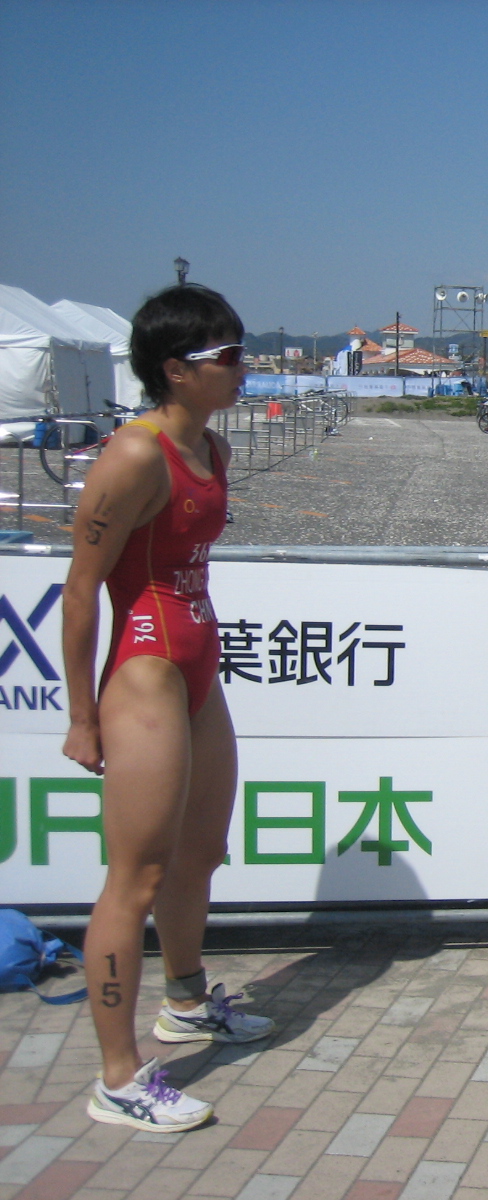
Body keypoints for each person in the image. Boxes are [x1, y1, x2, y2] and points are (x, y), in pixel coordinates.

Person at [61, 285, 277, 1133]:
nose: (243, 366)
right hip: (146, 668)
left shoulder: (214, 447)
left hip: (199, 664)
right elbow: (81, 593)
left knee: (202, 853)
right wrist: (83, 717)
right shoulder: (133, 454)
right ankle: (118, 1077)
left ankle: (185, 999)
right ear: (177, 370)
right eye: (227, 357)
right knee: (137, 877)